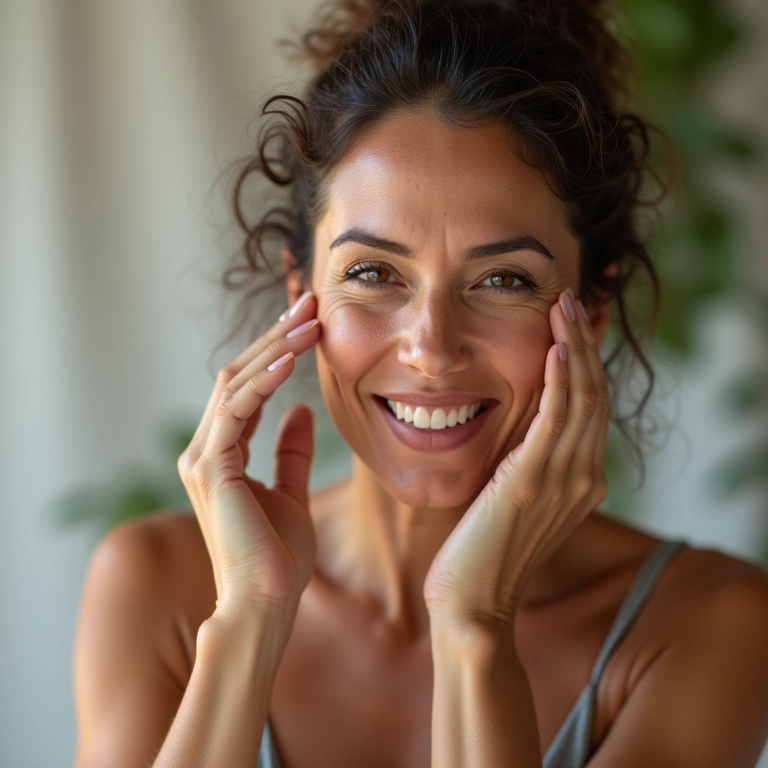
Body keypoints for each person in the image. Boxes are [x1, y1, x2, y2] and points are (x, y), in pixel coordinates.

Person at [72, 1, 768, 766]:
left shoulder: (708, 623)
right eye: (374, 273)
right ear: (301, 293)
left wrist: (474, 622)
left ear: (592, 313)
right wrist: (250, 619)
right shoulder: (155, 586)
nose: (432, 348)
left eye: (503, 279)